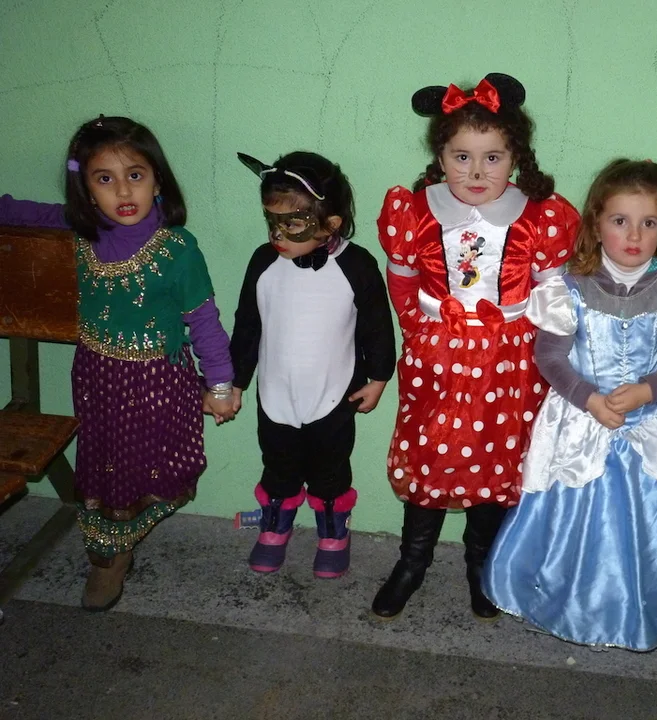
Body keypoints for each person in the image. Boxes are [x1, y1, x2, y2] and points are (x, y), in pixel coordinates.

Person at [0, 115, 234, 611]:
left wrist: (220, 384)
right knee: (102, 465)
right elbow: (19, 211)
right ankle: (108, 548)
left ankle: (113, 555)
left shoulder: (178, 250)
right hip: (97, 379)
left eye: (136, 175)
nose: (123, 191)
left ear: (157, 181)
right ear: (85, 190)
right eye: (104, 178)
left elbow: (204, 321)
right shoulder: (81, 229)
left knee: (137, 470)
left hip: (155, 384)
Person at [371, 73, 580, 620]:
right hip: (437, 356)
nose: (476, 172)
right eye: (461, 157)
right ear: (440, 156)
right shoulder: (416, 210)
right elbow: (402, 278)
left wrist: (543, 348)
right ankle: (412, 562)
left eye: (492, 157)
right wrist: (418, 329)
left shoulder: (539, 215)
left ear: (515, 157)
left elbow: (553, 293)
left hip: (508, 362)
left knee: (495, 458)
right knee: (431, 453)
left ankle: (482, 565)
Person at [482, 158, 657, 651]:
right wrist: (587, 397)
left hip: (650, 426)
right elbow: (549, 357)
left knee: (646, 525)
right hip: (580, 421)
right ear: (596, 223)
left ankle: (643, 605)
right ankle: (566, 603)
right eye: (620, 220)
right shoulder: (568, 290)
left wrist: (649, 389)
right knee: (573, 520)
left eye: (649, 223)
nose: (635, 235)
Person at [230, 151, 395, 578]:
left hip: (334, 396)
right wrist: (233, 382)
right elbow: (247, 325)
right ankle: (275, 525)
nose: (277, 234)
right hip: (275, 395)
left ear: (331, 223)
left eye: (292, 223)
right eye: (271, 221)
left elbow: (377, 325)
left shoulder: (357, 265)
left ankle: (333, 532)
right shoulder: (262, 263)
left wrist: (379, 377)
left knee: (331, 471)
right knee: (277, 464)